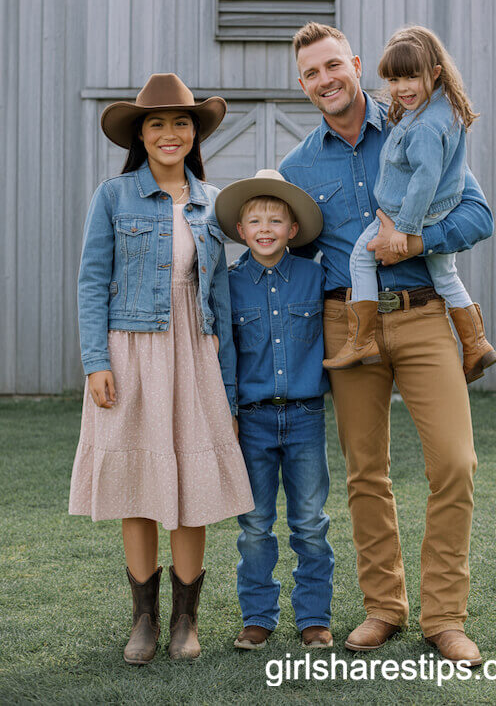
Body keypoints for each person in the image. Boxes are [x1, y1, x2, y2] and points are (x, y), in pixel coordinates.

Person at [280, 22, 494, 666]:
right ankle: (383, 608)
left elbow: (477, 215)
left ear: (353, 63)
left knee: (455, 463)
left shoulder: (417, 120)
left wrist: (416, 241)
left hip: (426, 315)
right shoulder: (298, 167)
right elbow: (289, 251)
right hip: (349, 325)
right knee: (365, 472)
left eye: (332, 66)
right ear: (303, 85)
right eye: (311, 74)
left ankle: (445, 617)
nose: (325, 81)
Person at [69, 73, 254, 665]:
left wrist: (225, 380)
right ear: (141, 135)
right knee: (139, 485)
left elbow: (219, 297)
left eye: (181, 123)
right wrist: (97, 361)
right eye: (157, 124)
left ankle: (185, 621)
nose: (169, 134)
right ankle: (143, 620)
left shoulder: (211, 203)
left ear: (194, 133)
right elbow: (92, 281)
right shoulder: (113, 196)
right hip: (132, 351)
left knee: (194, 485)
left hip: (195, 352)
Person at [324, 25, 496, 381]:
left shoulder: (423, 128)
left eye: (409, 78)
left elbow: (424, 180)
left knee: (360, 258)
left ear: (434, 73)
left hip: (406, 214)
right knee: (445, 275)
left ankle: (362, 339)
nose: (401, 89)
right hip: (436, 211)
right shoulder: (440, 111)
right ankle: (476, 343)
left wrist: (404, 229)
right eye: (393, 80)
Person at [214, 170, 335, 650]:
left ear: (293, 230)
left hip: (306, 418)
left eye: (276, 220)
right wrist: (228, 409)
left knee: (309, 522)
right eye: (255, 221)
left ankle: (314, 619)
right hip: (254, 420)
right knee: (255, 526)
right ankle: (258, 617)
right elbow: (224, 352)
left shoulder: (316, 275)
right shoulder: (228, 284)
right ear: (241, 231)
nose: (265, 228)